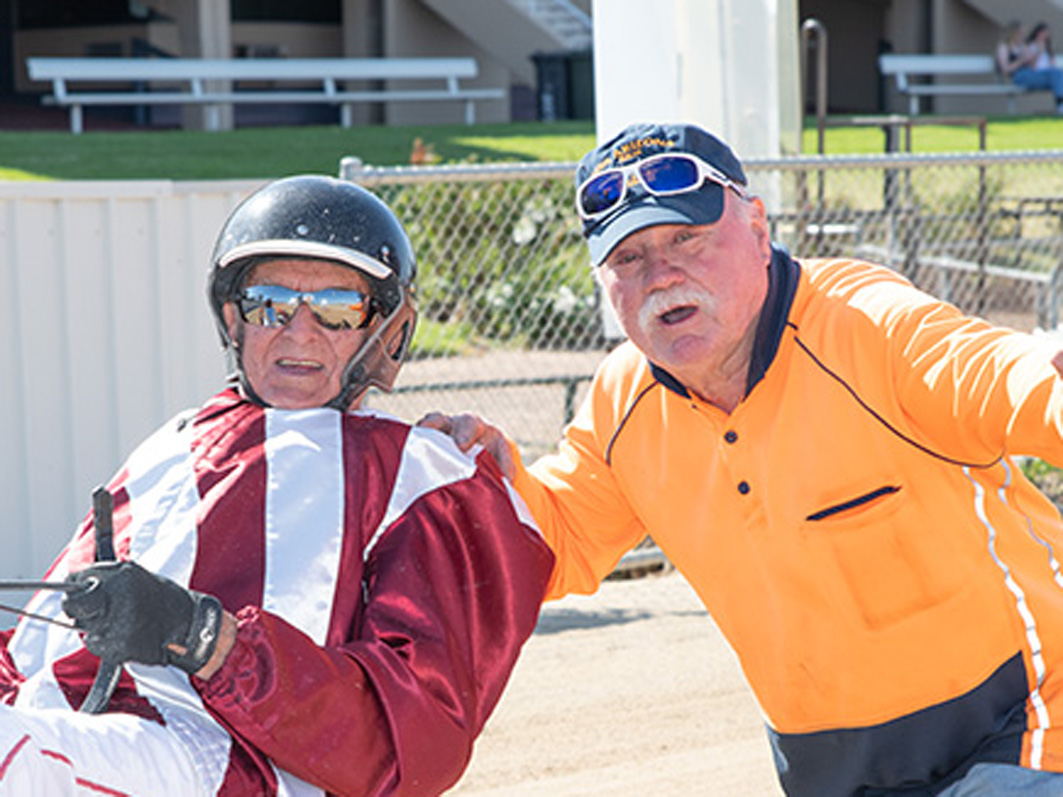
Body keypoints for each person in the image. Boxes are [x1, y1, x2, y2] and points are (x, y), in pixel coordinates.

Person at [421, 122, 1063, 796]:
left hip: (1022, 716)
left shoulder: (864, 324)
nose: (661, 273)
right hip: (829, 767)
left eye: (686, 238)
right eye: (628, 259)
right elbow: (560, 540)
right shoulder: (623, 399)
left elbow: (997, 374)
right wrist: (479, 492)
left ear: (757, 229)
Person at [0, 175, 554, 796]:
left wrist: (202, 635)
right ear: (234, 317)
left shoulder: (422, 472)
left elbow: (414, 745)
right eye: (271, 304)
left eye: (338, 310)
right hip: (70, 737)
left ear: (386, 333)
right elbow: (27, 650)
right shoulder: (170, 445)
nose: (299, 332)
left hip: (224, 766)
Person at [996, 19, 1063, 113]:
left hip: (1030, 73)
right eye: (1020, 33)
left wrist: (1039, 52)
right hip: (1018, 77)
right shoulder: (1004, 47)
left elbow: (1032, 65)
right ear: (1013, 33)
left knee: (1058, 74)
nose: (1022, 36)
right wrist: (1021, 61)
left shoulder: (1023, 46)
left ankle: (1060, 105)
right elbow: (1005, 70)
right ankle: (1060, 106)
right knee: (1057, 75)